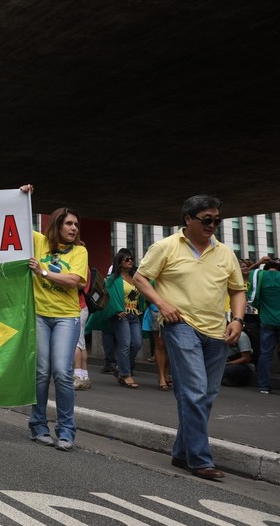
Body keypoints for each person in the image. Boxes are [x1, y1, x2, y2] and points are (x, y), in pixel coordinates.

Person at [133, 194, 247, 480]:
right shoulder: (166, 247)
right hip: (181, 324)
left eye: (216, 220)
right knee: (195, 390)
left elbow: (237, 290)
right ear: (188, 219)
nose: (212, 225)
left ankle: (181, 452)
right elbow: (140, 278)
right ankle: (199, 459)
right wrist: (163, 304)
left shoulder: (225, 252)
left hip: (218, 331)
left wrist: (237, 319)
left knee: (205, 396)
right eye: (206, 219)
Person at [21, 186, 88, 452]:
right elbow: (18, 219)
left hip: (66, 318)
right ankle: (38, 427)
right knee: (40, 374)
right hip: (39, 315)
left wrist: (43, 272)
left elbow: (75, 281)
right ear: (57, 225)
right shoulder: (39, 243)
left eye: (76, 225)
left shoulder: (79, 252)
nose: (73, 228)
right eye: (69, 223)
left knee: (62, 373)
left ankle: (66, 431)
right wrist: (23, 195)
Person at [87, 249, 145, 388]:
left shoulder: (136, 277)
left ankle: (121, 367)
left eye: (131, 258)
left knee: (136, 343)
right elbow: (106, 296)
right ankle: (126, 374)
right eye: (126, 259)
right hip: (121, 316)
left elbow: (143, 292)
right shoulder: (113, 279)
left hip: (134, 315)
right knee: (125, 344)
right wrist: (116, 310)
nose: (130, 261)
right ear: (119, 263)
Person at [248, 259, 279, 394]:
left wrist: (259, 261)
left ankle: (264, 386)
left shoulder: (260, 276)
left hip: (266, 320)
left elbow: (245, 272)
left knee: (265, 354)